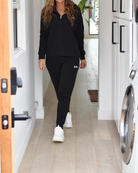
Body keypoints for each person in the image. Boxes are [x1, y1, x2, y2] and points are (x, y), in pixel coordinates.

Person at [38, 0, 87, 142]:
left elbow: (79, 36)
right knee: (60, 91)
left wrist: (82, 56)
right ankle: (67, 113)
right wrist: (41, 57)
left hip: (71, 57)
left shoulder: (75, 11)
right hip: (53, 58)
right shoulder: (46, 12)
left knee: (65, 92)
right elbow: (44, 36)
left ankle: (58, 128)